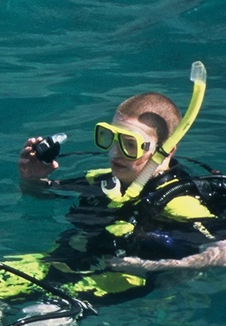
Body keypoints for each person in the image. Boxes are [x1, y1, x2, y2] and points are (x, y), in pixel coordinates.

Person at [11, 81, 226, 299]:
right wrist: (32, 178)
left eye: (129, 144)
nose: (115, 153)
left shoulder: (178, 202)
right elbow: (39, 195)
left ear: (166, 151)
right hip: (67, 260)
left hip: (119, 279)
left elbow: (223, 252)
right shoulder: (101, 179)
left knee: (34, 324)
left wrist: (151, 265)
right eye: (111, 138)